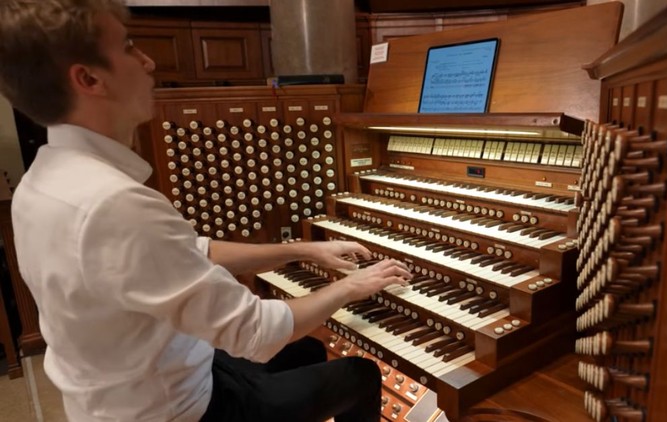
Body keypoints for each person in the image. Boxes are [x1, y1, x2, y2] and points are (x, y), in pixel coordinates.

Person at [0, 0, 412, 420]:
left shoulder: (41, 181)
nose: (148, 62)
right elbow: (258, 333)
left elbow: (193, 252)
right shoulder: (114, 203)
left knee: (307, 349)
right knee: (359, 374)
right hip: (174, 409)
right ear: (89, 79)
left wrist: (304, 250)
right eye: (127, 47)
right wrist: (350, 287)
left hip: (136, 382)